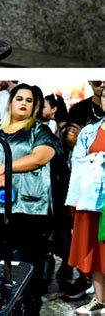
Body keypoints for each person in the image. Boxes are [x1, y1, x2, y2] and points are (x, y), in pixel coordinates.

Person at [0, 83, 57, 315]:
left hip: (29, 208)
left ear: (34, 106)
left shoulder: (40, 130)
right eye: (19, 98)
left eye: (29, 100)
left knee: (31, 267)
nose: (24, 103)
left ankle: (29, 309)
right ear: (10, 102)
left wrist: (4, 168)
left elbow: (41, 157)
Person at [65, 87, 105, 315]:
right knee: (96, 252)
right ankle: (101, 299)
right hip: (92, 200)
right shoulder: (89, 131)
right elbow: (77, 163)